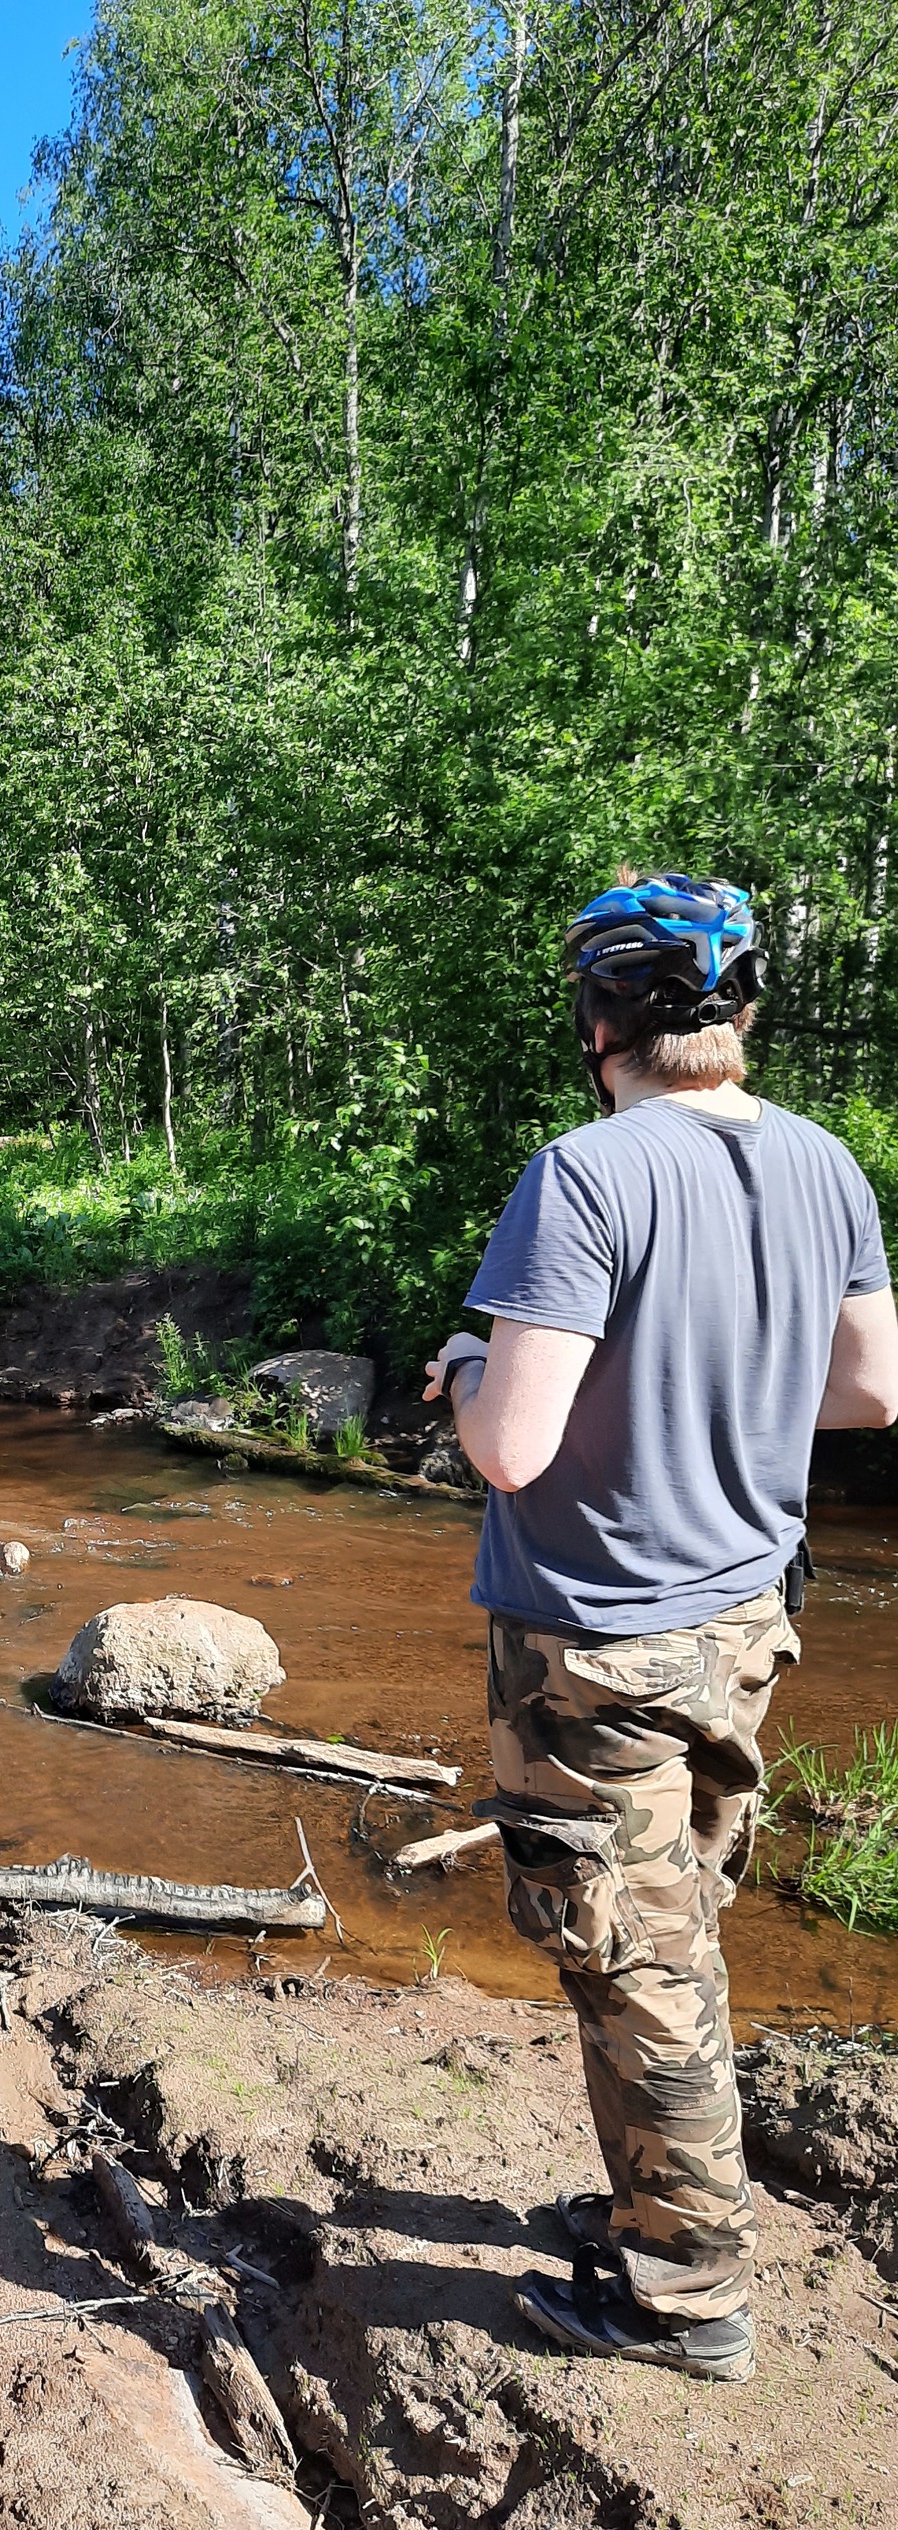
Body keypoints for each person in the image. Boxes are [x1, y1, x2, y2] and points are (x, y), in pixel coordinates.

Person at [425, 873, 898, 2384]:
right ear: (739, 1010)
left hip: (599, 1639)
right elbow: (871, 1393)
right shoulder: (828, 1163)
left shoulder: (585, 1173)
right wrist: (727, 1391)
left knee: (635, 1957)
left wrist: (453, 1373)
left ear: (599, 1018)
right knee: (675, 1926)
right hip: (747, 1620)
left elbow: (508, 1444)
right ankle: (659, 2200)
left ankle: (686, 2289)